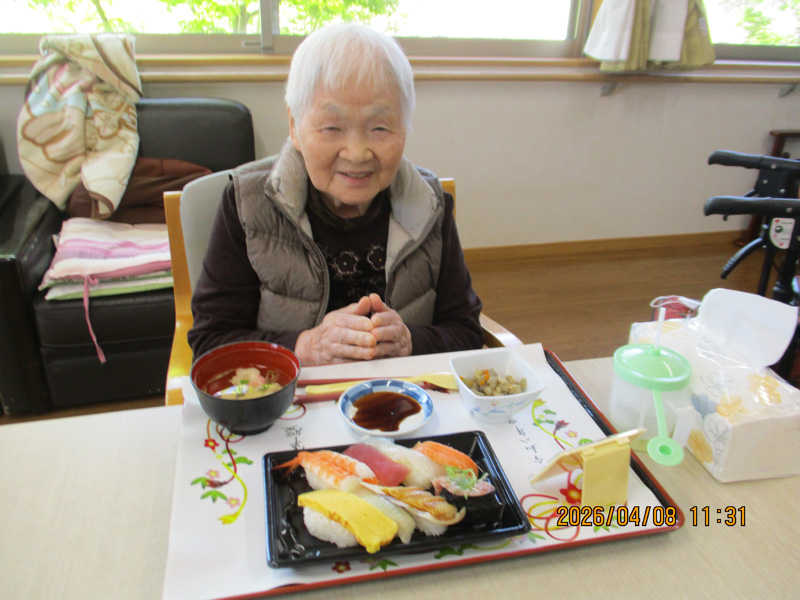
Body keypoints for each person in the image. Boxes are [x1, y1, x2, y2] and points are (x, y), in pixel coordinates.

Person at [188, 23, 484, 366]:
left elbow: (466, 331)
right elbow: (210, 343)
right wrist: (305, 347)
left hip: (403, 396)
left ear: (404, 126)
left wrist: (409, 342)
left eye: (380, 127)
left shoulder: (429, 205)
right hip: (293, 396)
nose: (357, 154)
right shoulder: (247, 205)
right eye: (332, 127)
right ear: (294, 126)